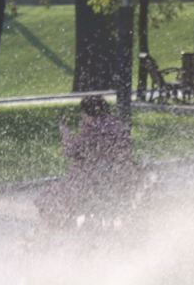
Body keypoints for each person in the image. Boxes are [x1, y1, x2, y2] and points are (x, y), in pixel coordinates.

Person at [37, 96, 139, 228]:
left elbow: (71, 152)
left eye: (82, 114)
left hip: (93, 183)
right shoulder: (117, 125)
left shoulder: (92, 128)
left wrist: (65, 133)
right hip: (121, 179)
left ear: (87, 113)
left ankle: (59, 228)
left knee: (52, 195)